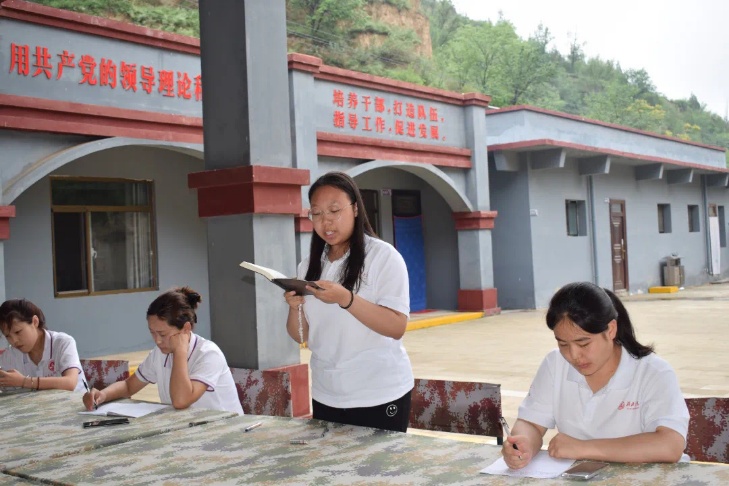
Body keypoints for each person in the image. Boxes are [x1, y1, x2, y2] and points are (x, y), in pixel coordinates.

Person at [502, 281, 689, 468]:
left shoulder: (653, 372)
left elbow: (670, 445)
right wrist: (523, 444)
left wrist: (583, 448)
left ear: (611, 330)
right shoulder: (555, 364)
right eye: (563, 344)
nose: (574, 355)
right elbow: (532, 423)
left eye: (584, 343)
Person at [285, 171, 413, 432]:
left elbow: (396, 326)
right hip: (326, 392)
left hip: (378, 393)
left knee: (378, 460)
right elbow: (301, 336)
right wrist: (294, 307)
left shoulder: (383, 257)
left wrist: (346, 298)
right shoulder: (308, 265)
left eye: (334, 210)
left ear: (355, 209)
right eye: (317, 213)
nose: (326, 221)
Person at [83, 287, 243, 415]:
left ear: (186, 329)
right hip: (189, 430)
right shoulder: (159, 353)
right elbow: (128, 386)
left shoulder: (208, 354)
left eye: (163, 334)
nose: (157, 340)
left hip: (226, 432)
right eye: (152, 332)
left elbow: (181, 401)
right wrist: (103, 395)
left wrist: (180, 351)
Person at [0, 298, 85, 392]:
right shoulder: (10, 355)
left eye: (18, 332)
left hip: (77, 400)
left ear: (35, 322)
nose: (14, 341)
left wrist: (23, 381)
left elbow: (70, 383)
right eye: (8, 336)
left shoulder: (63, 342)